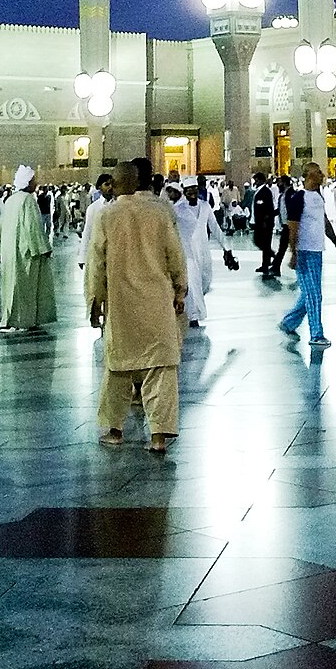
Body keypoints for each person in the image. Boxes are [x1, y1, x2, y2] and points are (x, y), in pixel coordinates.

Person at [85, 159, 187, 452]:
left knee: (118, 368)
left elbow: (96, 264)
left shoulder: (107, 215)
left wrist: (95, 301)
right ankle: (158, 437)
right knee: (161, 369)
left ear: (119, 184)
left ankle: (115, 431)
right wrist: (180, 291)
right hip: (157, 302)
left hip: (122, 304)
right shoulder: (160, 211)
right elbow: (175, 255)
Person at [278, 161, 336, 345]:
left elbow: (323, 222)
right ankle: (316, 334)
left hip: (317, 251)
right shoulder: (299, 198)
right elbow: (293, 227)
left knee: (308, 293)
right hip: (304, 252)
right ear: (308, 175)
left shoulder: (318, 197)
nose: (322, 175)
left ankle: (288, 323)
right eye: (318, 172)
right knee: (314, 294)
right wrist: (294, 252)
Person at [0, 166, 57, 333]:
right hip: (25, 253)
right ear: (27, 182)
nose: (36, 183)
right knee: (24, 287)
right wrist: (43, 247)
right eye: (34, 180)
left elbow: (0, 226)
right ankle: (21, 320)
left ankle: (11, 318)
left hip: (9, 251)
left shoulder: (11, 200)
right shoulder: (27, 200)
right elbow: (32, 226)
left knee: (10, 287)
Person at [176, 180, 231, 328]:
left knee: (204, 282)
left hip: (204, 252)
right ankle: (193, 315)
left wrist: (227, 248)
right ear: (184, 192)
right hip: (188, 252)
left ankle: (194, 309)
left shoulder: (205, 206)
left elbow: (214, 227)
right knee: (193, 284)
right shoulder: (178, 209)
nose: (192, 192)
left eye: (194, 189)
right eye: (189, 189)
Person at [250, 172, 279, 277]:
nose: (255, 182)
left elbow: (268, 208)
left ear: (261, 180)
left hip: (265, 223)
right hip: (259, 222)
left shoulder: (266, 192)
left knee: (264, 243)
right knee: (258, 242)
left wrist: (265, 221)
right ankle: (269, 258)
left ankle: (267, 263)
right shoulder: (258, 191)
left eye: (256, 180)